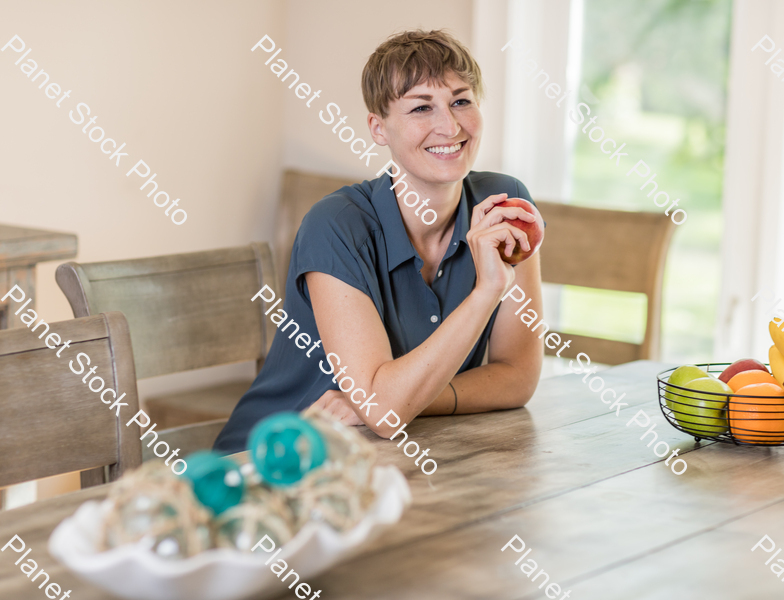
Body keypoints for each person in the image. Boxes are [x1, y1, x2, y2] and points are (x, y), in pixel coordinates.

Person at [214, 29, 544, 452]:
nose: (450, 125)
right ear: (378, 128)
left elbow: (516, 377)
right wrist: (489, 290)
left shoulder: (502, 205)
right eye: (421, 107)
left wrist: (404, 401)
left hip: (386, 456)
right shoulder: (335, 225)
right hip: (273, 463)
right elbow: (387, 415)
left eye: (461, 100)